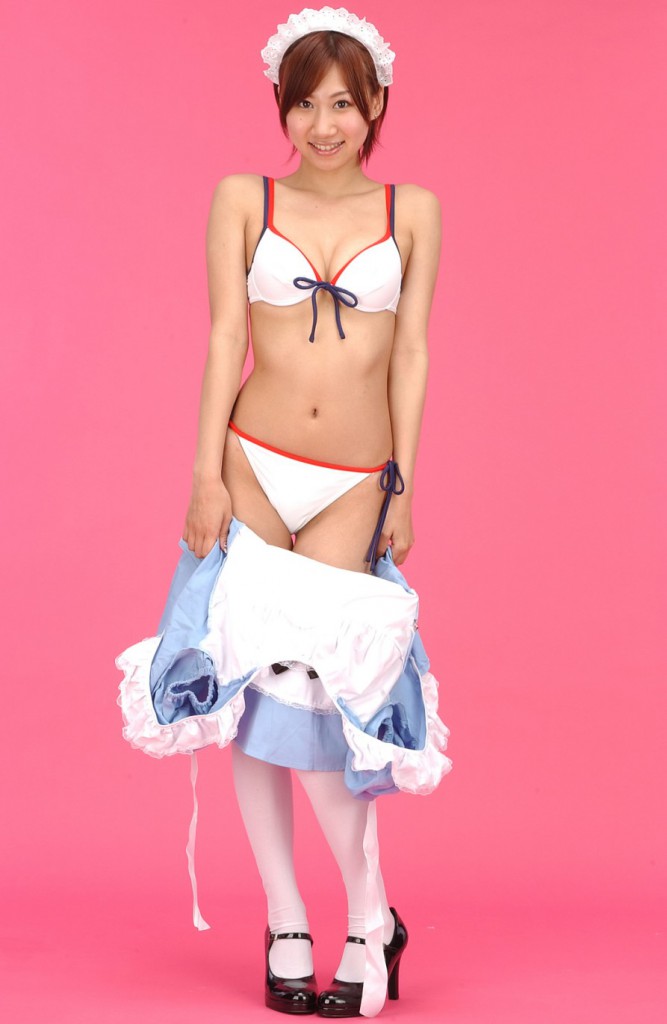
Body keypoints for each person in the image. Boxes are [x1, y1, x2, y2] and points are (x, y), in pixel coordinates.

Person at [115, 7, 452, 1018]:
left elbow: (411, 352)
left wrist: (403, 481)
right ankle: (286, 916)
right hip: (251, 461)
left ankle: (369, 916)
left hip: (353, 477)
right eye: (303, 105)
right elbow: (226, 337)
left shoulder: (412, 210)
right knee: (254, 695)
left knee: (320, 696)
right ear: (282, 110)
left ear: (375, 105)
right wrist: (203, 473)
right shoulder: (242, 197)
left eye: (341, 104)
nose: (322, 125)